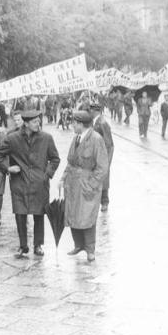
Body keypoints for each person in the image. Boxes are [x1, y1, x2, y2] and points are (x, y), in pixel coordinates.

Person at [0, 110, 60, 257]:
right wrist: (8, 168)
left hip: (39, 183)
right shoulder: (12, 138)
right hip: (19, 182)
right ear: (26, 123)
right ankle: (23, 246)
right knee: (20, 214)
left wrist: (46, 175)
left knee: (39, 214)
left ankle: (38, 245)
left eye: (38, 121)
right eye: (35, 122)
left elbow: (55, 159)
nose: (38, 124)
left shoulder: (46, 138)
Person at [60, 111, 108, 262]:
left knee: (87, 216)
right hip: (73, 183)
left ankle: (90, 249)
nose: (72, 125)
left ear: (81, 124)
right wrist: (63, 178)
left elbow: (102, 167)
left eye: (74, 123)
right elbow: (70, 161)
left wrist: (91, 185)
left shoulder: (96, 139)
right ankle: (78, 245)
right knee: (73, 214)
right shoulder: (76, 137)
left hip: (87, 183)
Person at [90, 104, 114, 212]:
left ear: (95, 111)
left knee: (103, 180)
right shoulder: (94, 122)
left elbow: (109, 144)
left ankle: (104, 202)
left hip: (102, 157)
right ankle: (97, 202)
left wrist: (107, 161)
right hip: (95, 156)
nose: (89, 112)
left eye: (90, 110)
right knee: (96, 179)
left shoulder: (102, 123)